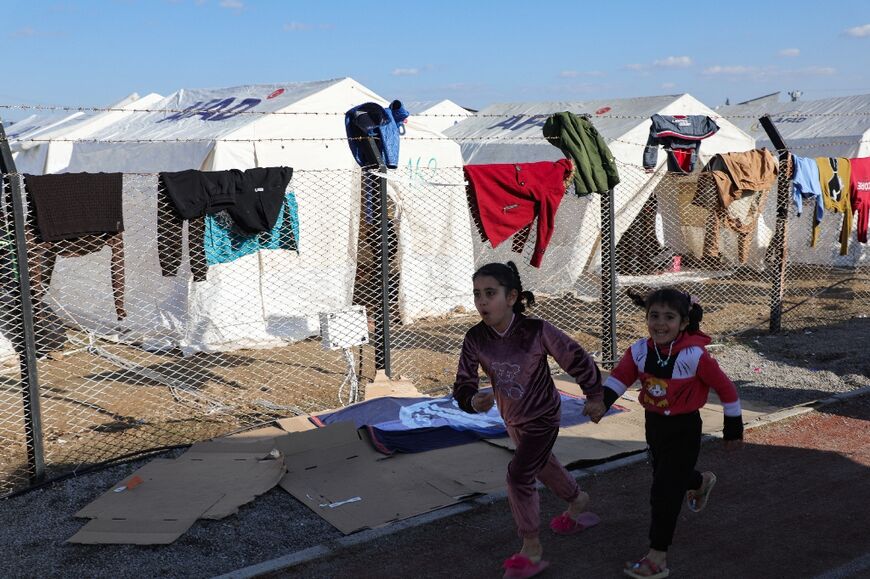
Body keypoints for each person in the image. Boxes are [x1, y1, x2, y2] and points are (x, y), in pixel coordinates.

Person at [452, 261, 606, 579]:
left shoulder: (536, 331)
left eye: (490, 293)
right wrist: (471, 400)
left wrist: (594, 396)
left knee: (518, 474)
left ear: (512, 297)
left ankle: (531, 548)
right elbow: (463, 383)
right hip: (512, 419)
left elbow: (575, 356)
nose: (482, 301)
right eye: (477, 294)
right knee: (542, 465)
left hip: (543, 417)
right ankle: (578, 499)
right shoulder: (475, 338)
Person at [600, 288, 743, 579]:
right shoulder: (639, 350)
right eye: (654, 316)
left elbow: (726, 389)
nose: (660, 323)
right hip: (654, 427)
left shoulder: (694, 355)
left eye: (669, 317)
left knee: (663, 492)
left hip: (685, 428)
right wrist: (600, 403)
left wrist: (733, 428)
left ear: (683, 321)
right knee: (669, 478)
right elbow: (620, 378)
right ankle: (700, 481)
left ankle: (657, 557)